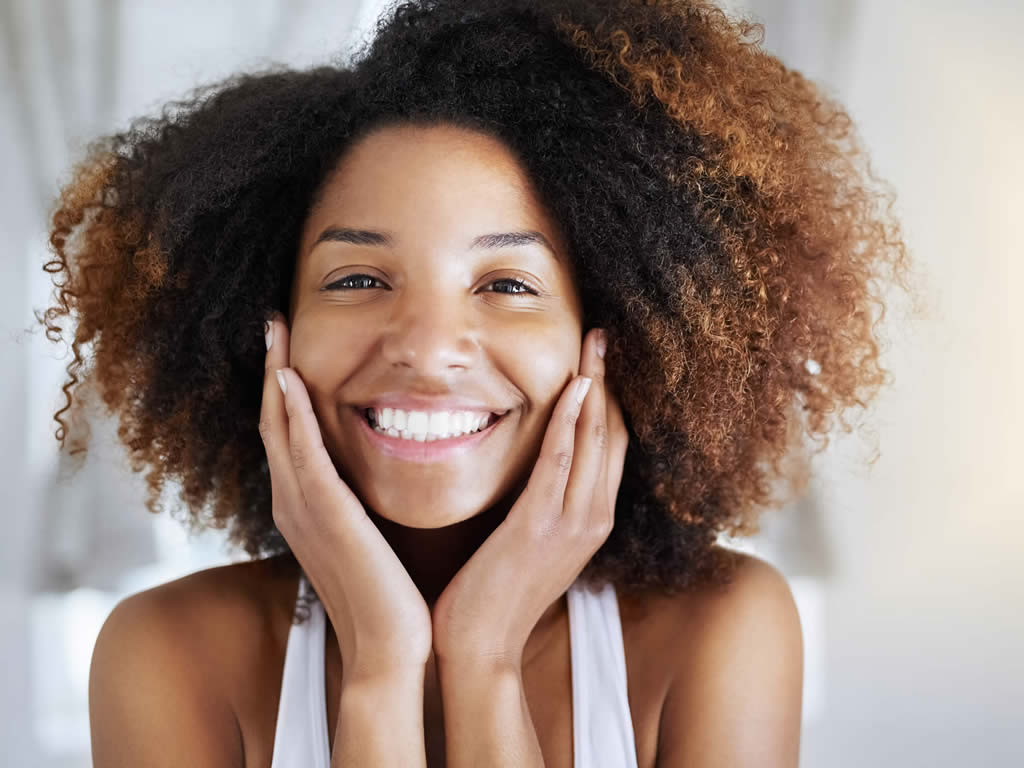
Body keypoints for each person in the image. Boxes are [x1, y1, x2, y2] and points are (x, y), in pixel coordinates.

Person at [41, 0, 912, 765]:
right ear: (263, 330)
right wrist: (380, 670)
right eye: (356, 279)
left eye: (507, 286)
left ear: (614, 336)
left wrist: (484, 655)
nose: (426, 348)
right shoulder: (167, 653)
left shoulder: (721, 631)